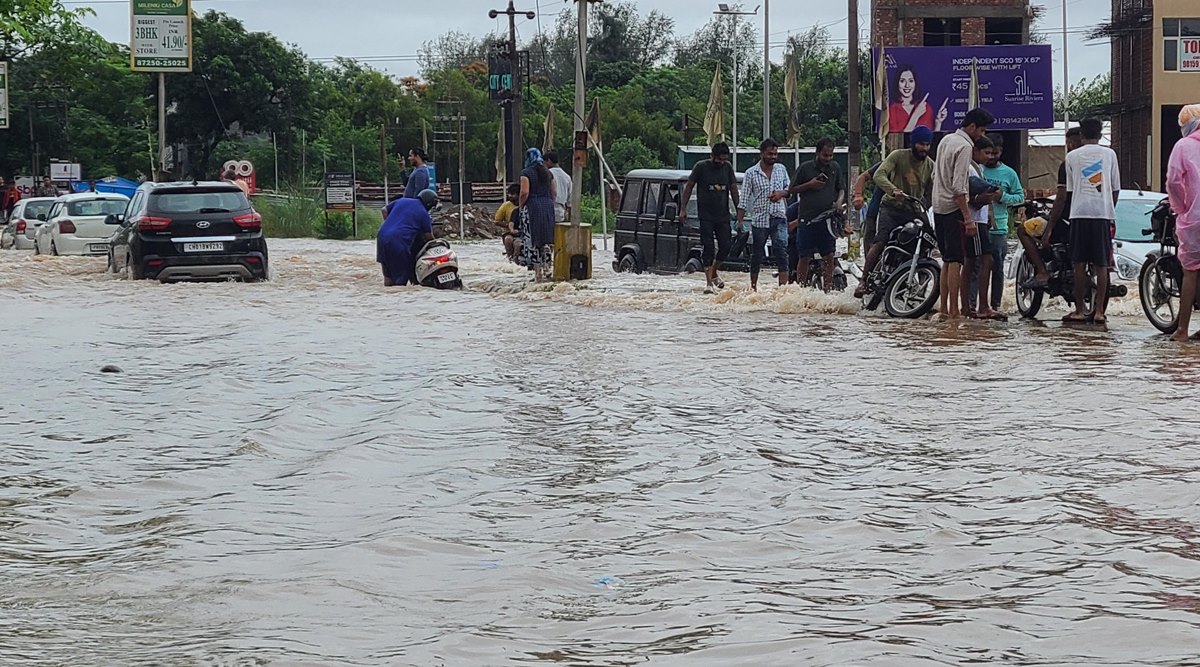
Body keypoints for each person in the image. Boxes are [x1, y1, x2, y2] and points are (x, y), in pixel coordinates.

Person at [932, 107, 995, 319]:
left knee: (947, 260)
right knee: (956, 261)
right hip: (953, 208)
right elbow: (960, 187)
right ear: (972, 127)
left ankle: (944, 310)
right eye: (982, 130)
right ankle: (953, 313)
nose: (982, 136)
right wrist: (968, 219)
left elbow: (936, 175)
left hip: (938, 206)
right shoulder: (964, 147)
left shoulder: (946, 140)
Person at [858, 125, 935, 298]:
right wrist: (893, 191)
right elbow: (879, 175)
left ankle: (923, 291)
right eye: (921, 144)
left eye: (927, 145)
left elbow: (932, 191)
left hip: (914, 210)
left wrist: (927, 204)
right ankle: (864, 280)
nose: (924, 148)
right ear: (913, 143)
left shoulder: (931, 165)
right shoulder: (898, 156)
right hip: (891, 208)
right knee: (879, 242)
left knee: (928, 243)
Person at [1063, 117, 1120, 325]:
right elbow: (1115, 188)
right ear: (1101, 133)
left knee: (1078, 263)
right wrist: (1109, 208)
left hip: (1078, 213)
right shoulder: (1110, 154)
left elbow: (1069, 190)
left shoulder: (1072, 157)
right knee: (1102, 264)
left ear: (1081, 135)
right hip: (1102, 214)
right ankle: (1098, 312)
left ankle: (1078, 310)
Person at [1021, 127, 1083, 287]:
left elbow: (1061, 198)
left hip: (1067, 221)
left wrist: (1049, 229)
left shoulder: (1068, 164)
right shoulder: (1103, 161)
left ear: (1070, 143)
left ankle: (1042, 271)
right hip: (1097, 220)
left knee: (1023, 230)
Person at [972, 133, 1025, 316]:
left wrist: (1002, 197)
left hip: (999, 228)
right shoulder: (976, 169)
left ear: (1001, 152)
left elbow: (1020, 197)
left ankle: (995, 305)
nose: (991, 157)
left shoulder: (1009, 174)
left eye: (995, 153)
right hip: (978, 224)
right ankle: (972, 305)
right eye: (988, 153)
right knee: (975, 266)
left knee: (997, 268)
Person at [680, 143, 740, 293]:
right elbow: (689, 186)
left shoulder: (727, 168)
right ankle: (708, 284)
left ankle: (714, 272)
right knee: (708, 248)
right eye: (719, 160)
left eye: (724, 160)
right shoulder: (701, 167)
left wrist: (740, 211)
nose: (721, 163)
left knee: (726, 246)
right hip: (706, 215)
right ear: (712, 156)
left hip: (723, 215)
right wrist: (683, 209)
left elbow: (733, 189)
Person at [789, 138, 845, 291]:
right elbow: (791, 189)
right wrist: (810, 184)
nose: (828, 159)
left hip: (827, 220)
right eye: (825, 155)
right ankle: (800, 290)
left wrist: (839, 202)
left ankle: (828, 289)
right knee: (804, 256)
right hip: (807, 219)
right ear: (817, 153)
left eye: (830, 156)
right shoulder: (805, 168)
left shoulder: (835, 168)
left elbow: (841, 188)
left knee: (829, 256)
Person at [737, 138, 791, 291]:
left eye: (775, 154)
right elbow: (744, 198)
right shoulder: (751, 173)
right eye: (770, 154)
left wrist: (781, 194)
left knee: (781, 251)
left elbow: (789, 189)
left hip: (779, 216)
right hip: (760, 220)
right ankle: (753, 287)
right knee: (757, 254)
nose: (773, 157)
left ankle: (783, 289)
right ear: (761, 154)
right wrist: (740, 221)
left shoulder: (781, 169)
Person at [1167, 104, 1200, 342]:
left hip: (1195, 218)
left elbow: (1173, 181)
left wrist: (1180, 208)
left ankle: (1182, 329)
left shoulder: (1184, 146)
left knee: (1191, 272)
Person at [962, 135, 1005, 320]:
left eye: (991, 153)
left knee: (971, 263)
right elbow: (968, 196)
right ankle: (982, 307)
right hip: (975, 221)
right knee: (985, 261)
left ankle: (968, 307)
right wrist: (985, 198)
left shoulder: (976, 168)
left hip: (979, 220)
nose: (989, 156)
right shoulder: (970, 169)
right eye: (986, 152)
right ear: (976, 151)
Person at [377, 189, 438, 287]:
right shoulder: (423, 214)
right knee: (401, 278)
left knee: (388, 276)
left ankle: (387, 298)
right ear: (429, 204)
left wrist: (390, 223)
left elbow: (384, 210)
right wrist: (438, 246)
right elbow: (429, 237)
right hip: (399, 241)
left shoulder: (403, 200)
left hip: (382, 237)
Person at [518, 147, 558, 282]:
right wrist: (549, 203)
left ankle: (537, 273)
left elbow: (524, 192)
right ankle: (548, 269)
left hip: (532, 207)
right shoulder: (548, 173)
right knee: (546, 239)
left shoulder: (526, 173)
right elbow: (554, 192)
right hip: (547, 206)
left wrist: (521, 205)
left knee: (533, 239)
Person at [888, 65, 948, 134]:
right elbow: (898, 141)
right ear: (897, 83)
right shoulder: (891, 110)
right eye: (902, 81)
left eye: (910, 81)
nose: (907, 85)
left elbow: (930, 140)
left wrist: (938, 122)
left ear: (915, 83)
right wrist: (915, 115)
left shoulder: (926, 108)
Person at [852, 161, 884, 248]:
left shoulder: (922, 165)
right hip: (876, 210)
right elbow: (863, 177)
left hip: (906, 212)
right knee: (874, 243)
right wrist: (858, 195)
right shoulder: (889, 163)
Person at [496, 183, 522, 262]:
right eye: (509, 194)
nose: (510, 196)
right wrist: (511, 228)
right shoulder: (507, 206)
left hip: (524, 233)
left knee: (518, 244)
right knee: (508, 240)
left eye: (513, 194)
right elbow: (497, 221)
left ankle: (516, 258)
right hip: (510, 232)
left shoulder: (525, 207)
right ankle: (510, 260)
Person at [544, 151, 572, 223]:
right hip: (560, 212)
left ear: (549, 161)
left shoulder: (546, 174)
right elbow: (570, 201)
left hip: (546, 210)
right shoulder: (567, 177)